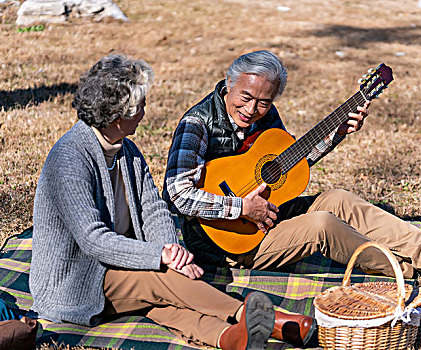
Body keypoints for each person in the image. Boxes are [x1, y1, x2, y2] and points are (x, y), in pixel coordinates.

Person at [29, 54, 315, 349]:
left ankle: (230, 338)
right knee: (159, 280)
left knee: (165, 297)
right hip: (79, 280)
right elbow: (93, 240)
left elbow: (154, 208)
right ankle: (266, 319)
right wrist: (160, 257)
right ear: (117, 117)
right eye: (140, 106)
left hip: (124, 264)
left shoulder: (126, 148)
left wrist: (173, 252)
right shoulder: (69, 159)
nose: (145, 111)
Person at [162, 50, 421, 289]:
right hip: (226, 242)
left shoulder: (265, 116)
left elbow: (285, 168)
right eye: (246, 97)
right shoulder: (198, 123)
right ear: (229, 82)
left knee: (337, 199)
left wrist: (336, 135)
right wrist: (241, 208)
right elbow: (177, 196)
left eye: (264, 101)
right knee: (322, 225)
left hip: (267, 215)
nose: (252, 109)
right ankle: (404, 271)